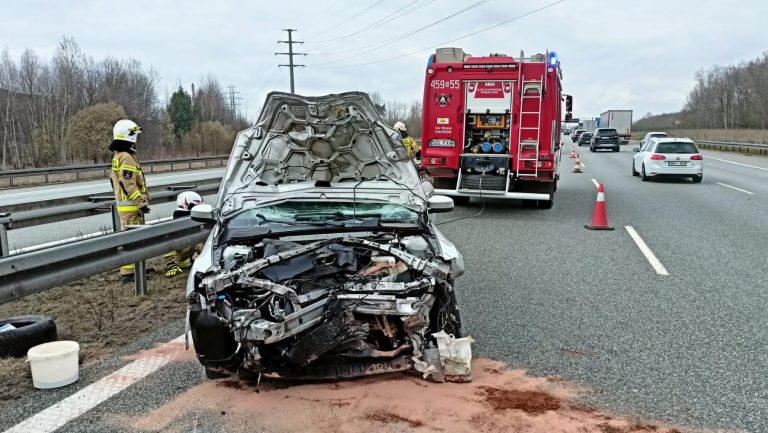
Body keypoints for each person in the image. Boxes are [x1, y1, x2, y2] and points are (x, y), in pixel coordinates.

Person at [109, 119, 150, 282]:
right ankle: (129, 273)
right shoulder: (126, 157)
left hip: (125, 206)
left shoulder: (119, 155)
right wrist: (141, 202)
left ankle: (136, 269)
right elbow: (128, 183)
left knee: (132, 239)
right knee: (133, 240)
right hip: (131, 207)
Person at [164, 191, 204, 277]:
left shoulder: (193, 220)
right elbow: (168, 246)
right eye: (198, 206)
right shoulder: (175, 226)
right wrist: (172, 264)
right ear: (189, 205)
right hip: (181, 259)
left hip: (192, 258)